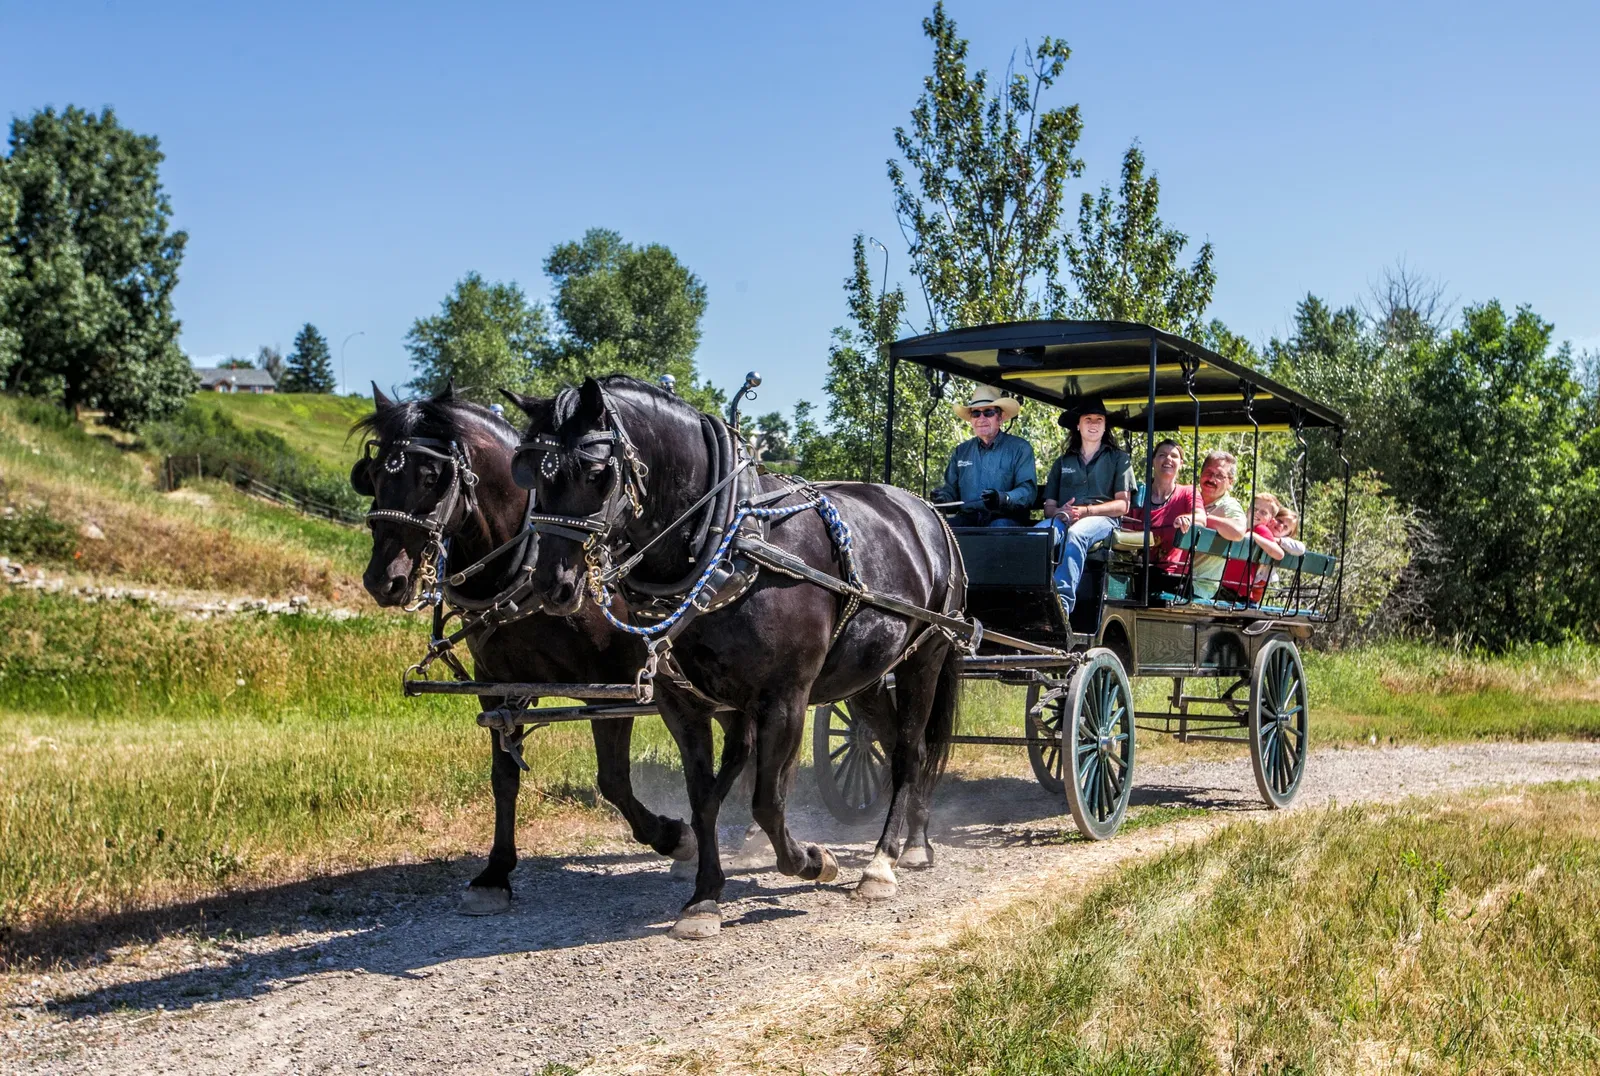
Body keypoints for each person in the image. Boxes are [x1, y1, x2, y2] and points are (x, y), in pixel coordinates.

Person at [1036, 396, 1135, 617]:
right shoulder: (1062, 462)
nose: (1093, 423)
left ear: (1105, 425)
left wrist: (1087, 511)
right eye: (1088, 418)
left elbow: (1122, 505)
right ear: (1078, 425)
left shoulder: (1119, 459)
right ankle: (1031, 598)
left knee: (1076, 534)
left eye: (1099, 419)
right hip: (1064, 517)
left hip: (1104, 520)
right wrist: (1062, 513)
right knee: (1038, 534)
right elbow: (1049, 508)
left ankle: (1060, 607)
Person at [930, 387, 1036, 527]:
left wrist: (1002, 498)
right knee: (939, 530)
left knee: (998, 528)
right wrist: (942, 499)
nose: (981, 418)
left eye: (988, 412)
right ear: (971, 420)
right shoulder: (961, 451)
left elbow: (1027, 491)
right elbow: (951, 491)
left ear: (1000, 417)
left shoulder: (1020, 448)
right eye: (976, 414)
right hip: (968, 519)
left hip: (1005, 518)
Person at [1121, 438, 1205, 580]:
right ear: (1153, 461)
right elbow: (1124, 529)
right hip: (1137, 570)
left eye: (1174, 456)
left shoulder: (1187, 493)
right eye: (1162, 455)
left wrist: (1187, 519)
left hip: (1172, 575)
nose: (1168, 459)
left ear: (1181, 464)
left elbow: (1201, 518)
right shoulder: (1139, 493)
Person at [1176, 450, 1250, 600]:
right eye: (1208, 472)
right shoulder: (1190, 497)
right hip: (1173, 575)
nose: (1211, 479)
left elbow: (1238, 531)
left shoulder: (1229, 506)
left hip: (1198, 585)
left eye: (1220, 476)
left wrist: (1202, 519)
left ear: (1230, 482)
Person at [1219, 493, 1286, 604]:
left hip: (1236, 591)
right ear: (1248, 509)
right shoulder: (1240, 526)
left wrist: (1254, 536)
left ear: (1271, 520)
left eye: (1263, 512)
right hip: (1225, 585)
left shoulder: (1260, 529)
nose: (1257, 513)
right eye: (1254, 508)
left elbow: (1279, 554)